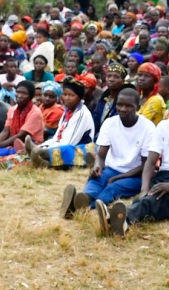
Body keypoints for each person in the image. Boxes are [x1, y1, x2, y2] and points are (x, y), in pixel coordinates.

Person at [94, 90, 169, 236]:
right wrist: (143, 189)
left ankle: (122, 219)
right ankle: (120, 219)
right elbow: (151, 162)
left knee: (160, 200)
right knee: (150, 197)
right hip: (166, 175)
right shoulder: (165, 126)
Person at [62, 88, 153, 216]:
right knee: (96, 179)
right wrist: (97, 165)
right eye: (119, 104)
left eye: (128, 106)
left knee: (114, 187)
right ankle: (85, 198)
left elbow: (146, 165)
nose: (122, 109)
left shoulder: (148, 128)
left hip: (135, 175)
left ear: (138, 107)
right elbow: (101, 156)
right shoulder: (110, 123)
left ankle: (83, 207)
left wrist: (119, 177)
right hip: (111, 168)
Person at [24, 79, 96, 168]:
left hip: (80, 150)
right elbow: (57, 137)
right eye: (65, 94)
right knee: (51, 146)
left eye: (71, 95)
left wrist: (45, 149)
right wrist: (43, 146)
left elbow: (70, 142)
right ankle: (41, 156)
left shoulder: (81, 113)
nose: (66, 98)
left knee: (65, 149)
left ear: (79, 98)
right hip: (65, 146)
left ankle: (44, 158)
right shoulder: (67, 111)